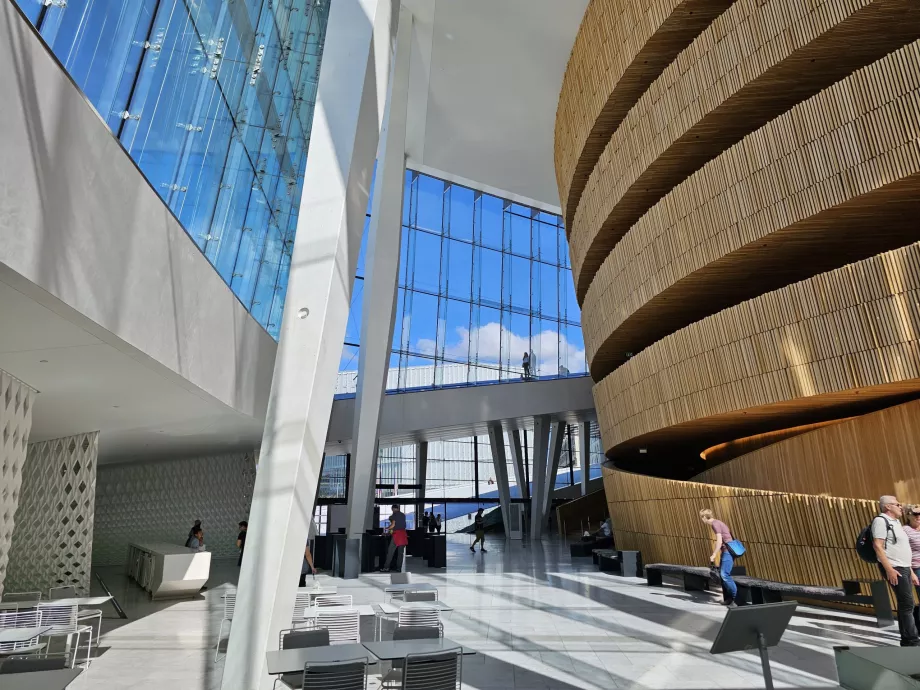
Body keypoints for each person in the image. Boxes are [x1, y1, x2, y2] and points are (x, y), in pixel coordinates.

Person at [872, 496, 920, 646]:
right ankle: (911, 640)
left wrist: (910, 571)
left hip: (903, 567)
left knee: (906, 603)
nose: (901, 507)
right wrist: (889, 569)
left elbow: (902, 549)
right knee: (907, 603)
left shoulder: (896, 522)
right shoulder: (880, 521)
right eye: (897, 504)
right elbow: (877, 546)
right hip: (895, 568)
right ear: (887, 507)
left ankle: (908, 638)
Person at [699, 508, 737, 607]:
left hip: (728, 551)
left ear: (704, 517)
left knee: (725, 575)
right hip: (726, 550)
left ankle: (735, 598)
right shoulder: (718, 522)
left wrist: (714, 554)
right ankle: (728, 599)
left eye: (701, 517)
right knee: (722, 574)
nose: (701, 520)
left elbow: (719, 541)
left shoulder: (715, 524)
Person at [903, 504, 920, 630]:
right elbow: (903, 552)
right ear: (908, 515)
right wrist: (911, 572)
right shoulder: (904, 530)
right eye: (915, 514)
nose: (918, 517)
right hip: (917, 568)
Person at [383, 504, 408, 573]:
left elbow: (393, 525)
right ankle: (398, 568)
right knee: (400, 553)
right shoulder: (403, 515)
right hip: (403, 535)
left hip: (397, 535)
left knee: (390, 552)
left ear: (393, 509)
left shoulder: (394, 515)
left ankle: (386, 567)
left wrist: (386, 528)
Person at [299, 518, 318, 586]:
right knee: (301, 587)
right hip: (301, 568)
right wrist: (312, 567)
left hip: (289, 567)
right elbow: (307, 554)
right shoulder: (303, 538)